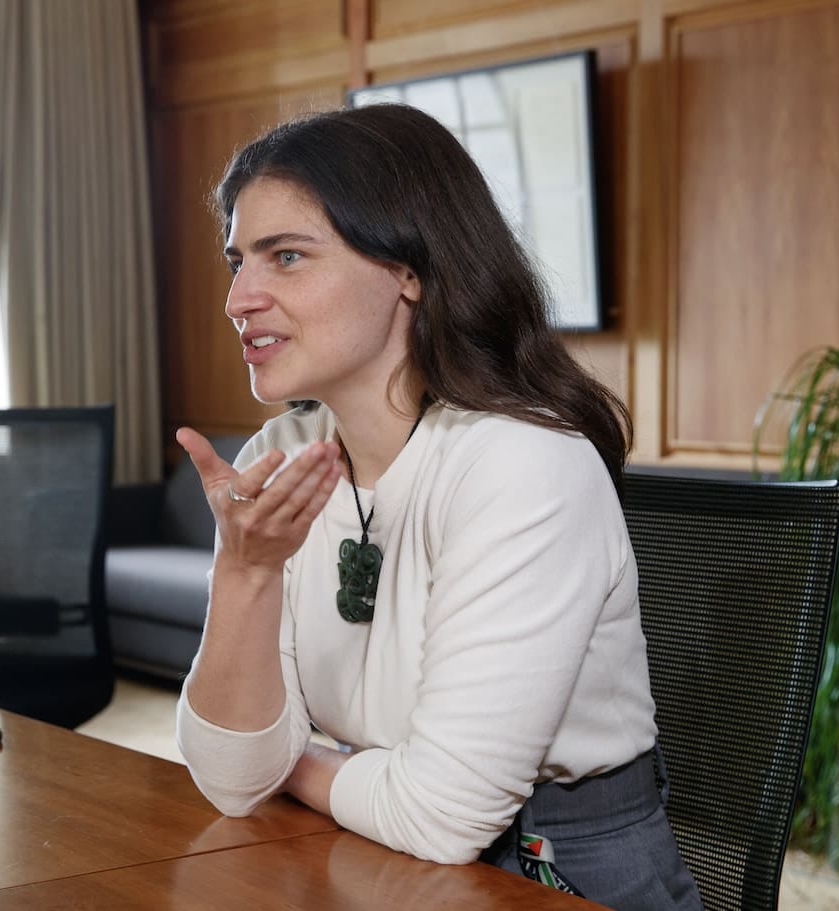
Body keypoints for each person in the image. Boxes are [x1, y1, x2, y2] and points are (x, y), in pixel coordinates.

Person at [173, 103, 702, 910]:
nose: (239, 298)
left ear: (409, 271)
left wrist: (294, 761)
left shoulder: (523, 463)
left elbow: (442, 813)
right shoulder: (277, 455)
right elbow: (229, 776)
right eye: (237, 261)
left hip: (552, 871)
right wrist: (247, 572)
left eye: (285, 257)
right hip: (364, 851)